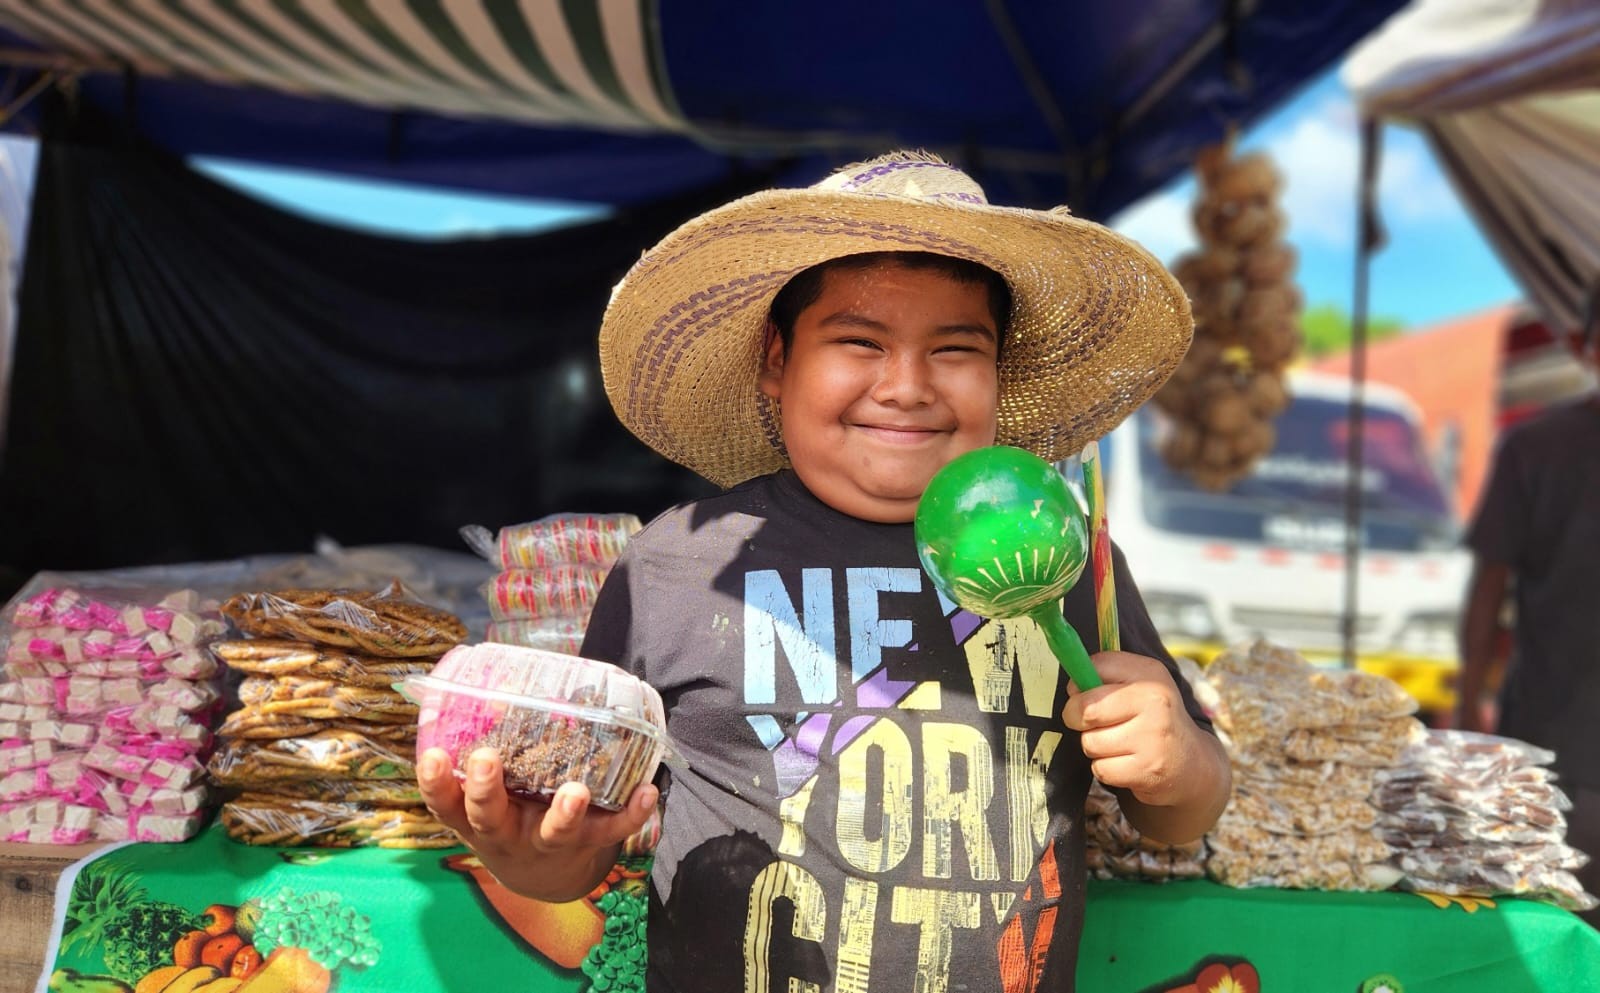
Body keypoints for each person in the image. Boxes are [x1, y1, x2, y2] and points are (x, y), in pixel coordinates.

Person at [419, 151, 1232, 990]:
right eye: (859, 341)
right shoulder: (678, 564)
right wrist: (530, 857)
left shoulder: (1065, 552)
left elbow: (1178, 810)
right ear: (777, 361)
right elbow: (582, 848)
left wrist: (1181, 762)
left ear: (999, 373)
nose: (907, 386)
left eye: (956, 348)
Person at [1456, 280, 1600, 923]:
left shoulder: (1535, 447)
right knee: (1551, 922)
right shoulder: (1536, 449)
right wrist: (1466, 704)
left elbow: (1489, 586)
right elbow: (1489, 585)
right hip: (1553, 756)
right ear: (1581, 347)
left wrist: (1466, 700)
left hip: (1555, 746)